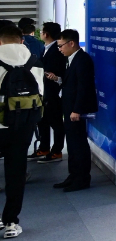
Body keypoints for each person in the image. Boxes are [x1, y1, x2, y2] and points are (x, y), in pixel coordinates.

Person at [1, 21, 43, 237]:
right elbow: (40, 94)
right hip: (24, 125)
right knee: (16, 171)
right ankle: (11, 221)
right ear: (21, 39)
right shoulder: (34, 61)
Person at [56, 29, 95, 192]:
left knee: (79, 145)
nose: (60, 49)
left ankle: (82, 178)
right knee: (72, 144)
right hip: (69, 107)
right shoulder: (72, 59)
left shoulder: (82, 60)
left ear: (71, 43)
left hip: (76, 110)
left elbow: (84, 87)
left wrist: (77, 110)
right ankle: (73, 175)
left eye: (61, 45)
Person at [34, 21, 66, 162]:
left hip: (53, 92)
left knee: (56, 122)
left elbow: (61, 72)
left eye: (42, 31)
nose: (40, 34)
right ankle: (44, 148)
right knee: (43, 121)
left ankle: (57, 151)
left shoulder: (57, 51)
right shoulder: (46, 48)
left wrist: (55, 77)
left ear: (46, 34)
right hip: (44, 91)